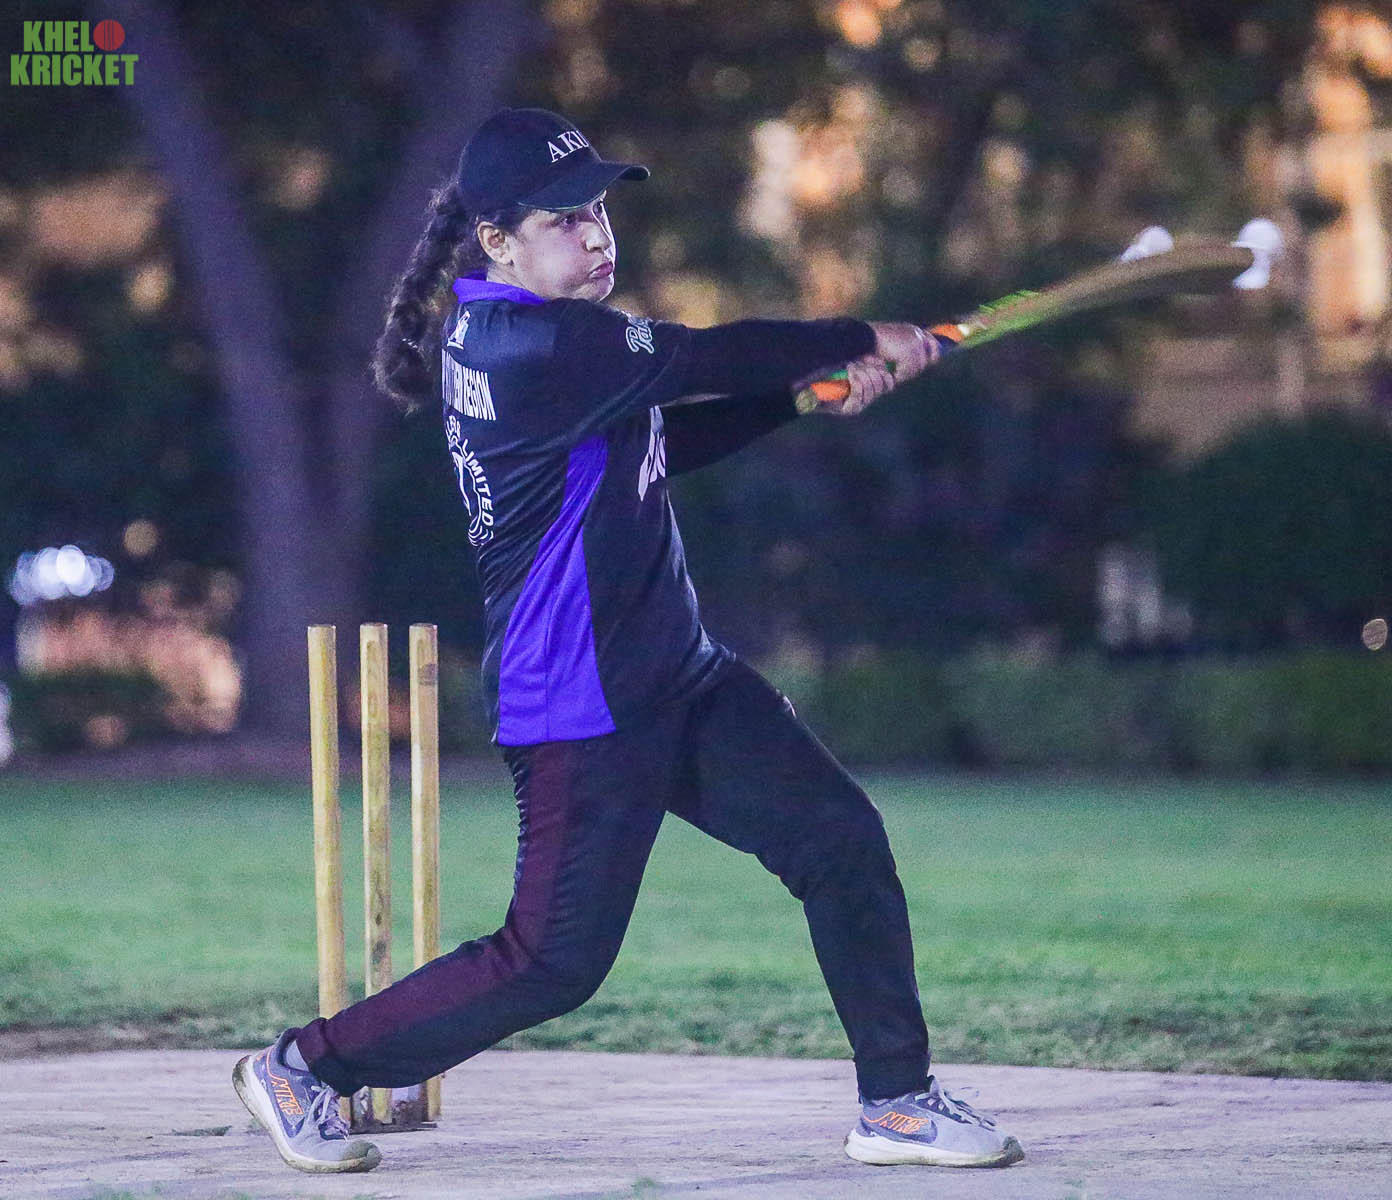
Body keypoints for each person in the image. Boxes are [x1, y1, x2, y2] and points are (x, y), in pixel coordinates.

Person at [233, 107, 1024, 1175]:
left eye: (599, 210)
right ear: (498, 241)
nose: (596, 233)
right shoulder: (536, 344)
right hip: (579, 701)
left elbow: (659, 434)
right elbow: (708, 355)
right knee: (551, 962)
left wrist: (799, 400)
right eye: (565, 220)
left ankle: (897, 1104)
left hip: (678, 676)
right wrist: (857, 336)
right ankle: (303, 1067)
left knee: (839, 838)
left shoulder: (530, 335)